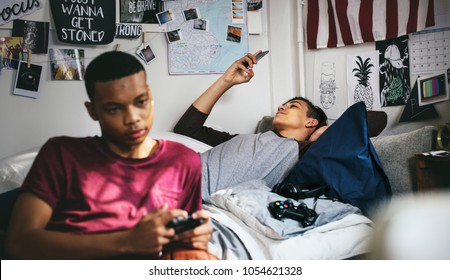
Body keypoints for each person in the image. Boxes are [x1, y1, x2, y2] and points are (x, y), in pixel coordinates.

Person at [5, 51, 212, 259]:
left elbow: (183, 241)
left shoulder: (184, 161)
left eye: (140, 102)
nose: (133, 119)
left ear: (150, 95)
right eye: (114, 109)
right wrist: (128, 241)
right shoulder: (61, 154)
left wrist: (194, 244)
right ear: (92, 111)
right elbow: (19, 243)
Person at [174, 51, 328, 200]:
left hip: (182, 195)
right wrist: (226, 81)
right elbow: (186, 128)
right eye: (284, 104)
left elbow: (344, 135)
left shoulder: (300, 150)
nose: (281, 107)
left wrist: (317, 137)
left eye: (293, 106)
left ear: (311, 122)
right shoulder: (241, 139)